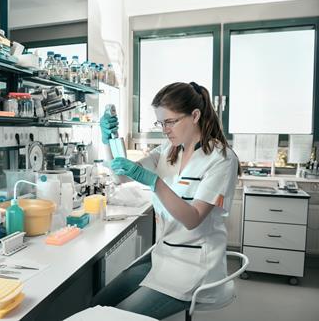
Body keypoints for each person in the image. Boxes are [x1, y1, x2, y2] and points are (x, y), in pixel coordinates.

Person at [92, 82, 240, 319]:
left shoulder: (221, 159)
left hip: (194, 266)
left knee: (117, 317)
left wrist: (156, 182)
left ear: (195, 115)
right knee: (98, 305)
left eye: (170, 121)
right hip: (163, 255)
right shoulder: (168, 151)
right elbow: (121, 176)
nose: (165, 129)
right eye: (161, 123)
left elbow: (192, 219)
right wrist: (109, 141)